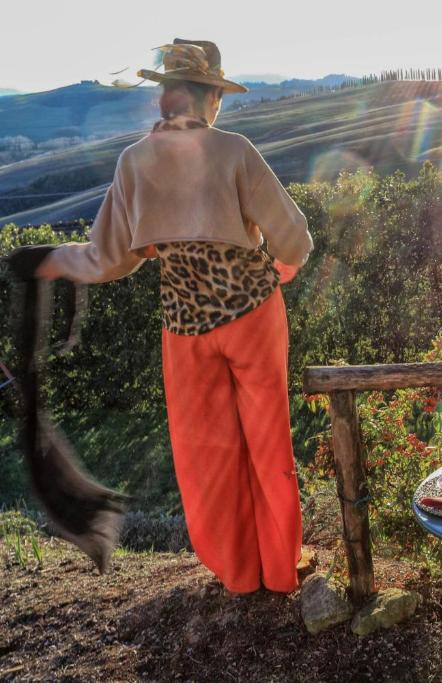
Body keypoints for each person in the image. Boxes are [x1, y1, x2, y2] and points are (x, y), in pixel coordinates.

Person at [33, 39, 314, 594]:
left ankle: (239, 576)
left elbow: (105, 260)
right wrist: (279, 268)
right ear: (211, 98)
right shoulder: (234, 150)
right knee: (269, 445)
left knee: (207, 456)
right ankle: (282, 572)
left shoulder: (133, 162)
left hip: (183, 326)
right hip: (252, 314)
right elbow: (295, 239)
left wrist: (44, 261)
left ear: (165, 97)